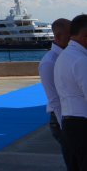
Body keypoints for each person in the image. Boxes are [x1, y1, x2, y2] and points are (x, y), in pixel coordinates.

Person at [56, 14, 87, 171]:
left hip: (69, 123)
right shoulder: (81, 60)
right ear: (84, 35)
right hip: (83, 125)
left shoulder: (64, 56)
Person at [39, 18, 71, 162]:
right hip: (62, 119)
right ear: (58, 36)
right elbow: (54, 99)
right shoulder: (49, 62)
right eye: (70, 35)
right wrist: (65, 128)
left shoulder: (69, 56)